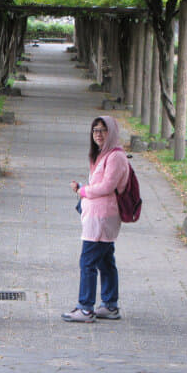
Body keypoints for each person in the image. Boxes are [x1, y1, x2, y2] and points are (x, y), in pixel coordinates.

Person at [63, 116, 129, 323]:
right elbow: (100, 184)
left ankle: (85, 308)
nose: (98, 134)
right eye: (95, 131)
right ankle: (110, 305)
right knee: (105, 261)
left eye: (103, 130)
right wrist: (84, 187)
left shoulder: (116, 157)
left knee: (88, 262)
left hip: (102, 217)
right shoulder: (102, 155)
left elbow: (107, 187)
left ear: (112, 132)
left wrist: (84, 190)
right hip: (96, 215)